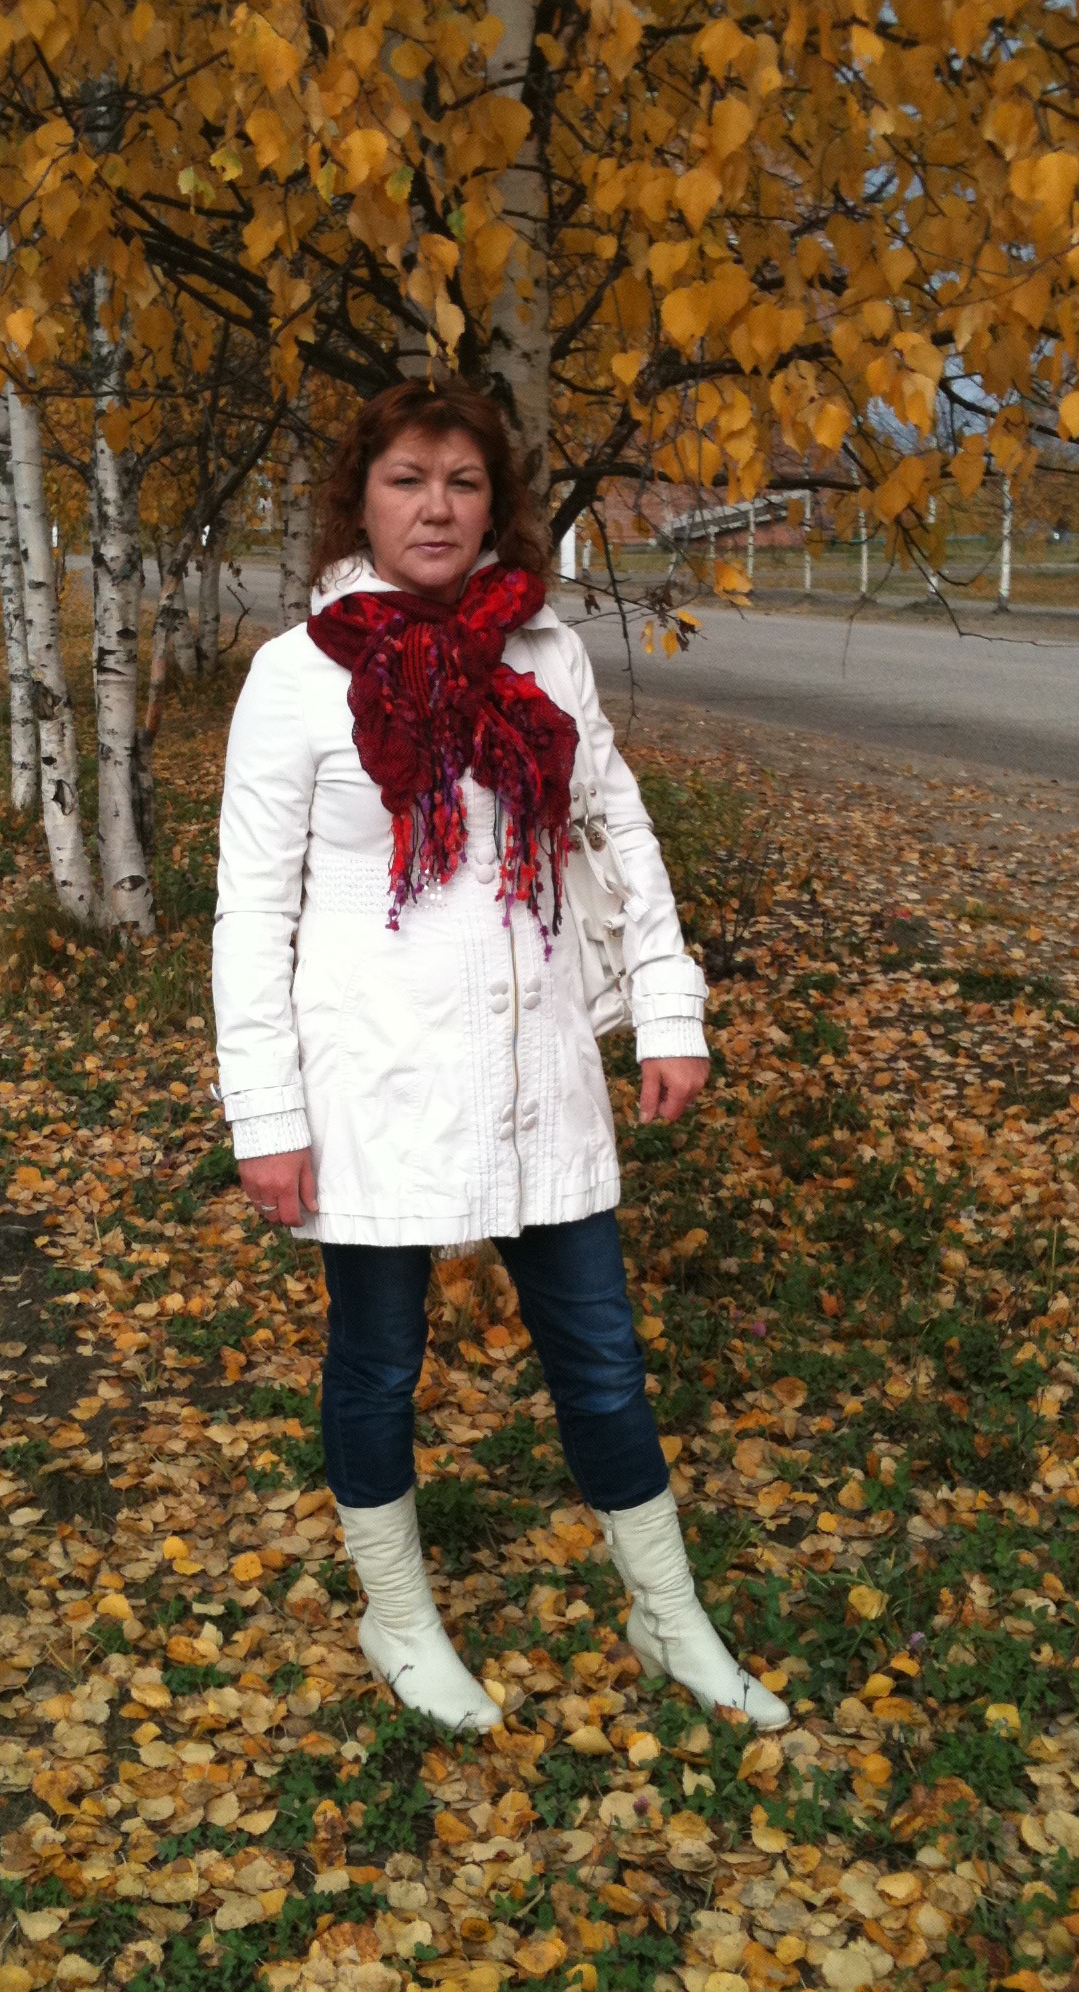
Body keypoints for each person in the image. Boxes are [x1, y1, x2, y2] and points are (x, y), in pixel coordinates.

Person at [212, 379, 786, 1735]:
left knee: (601, 1355)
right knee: (378, 1361)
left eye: (463, 483)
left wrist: (670, 1011)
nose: (437, 508)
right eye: (408, 479)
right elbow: (254, 911)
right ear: (361, 500)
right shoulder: (298, 675)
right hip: (374, 1080)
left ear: (496, 504)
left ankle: (668, 1614)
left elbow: (614, 828)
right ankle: (398, 1619)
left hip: (536, 1070)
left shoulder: (546, 654)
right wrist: (265, 1115)